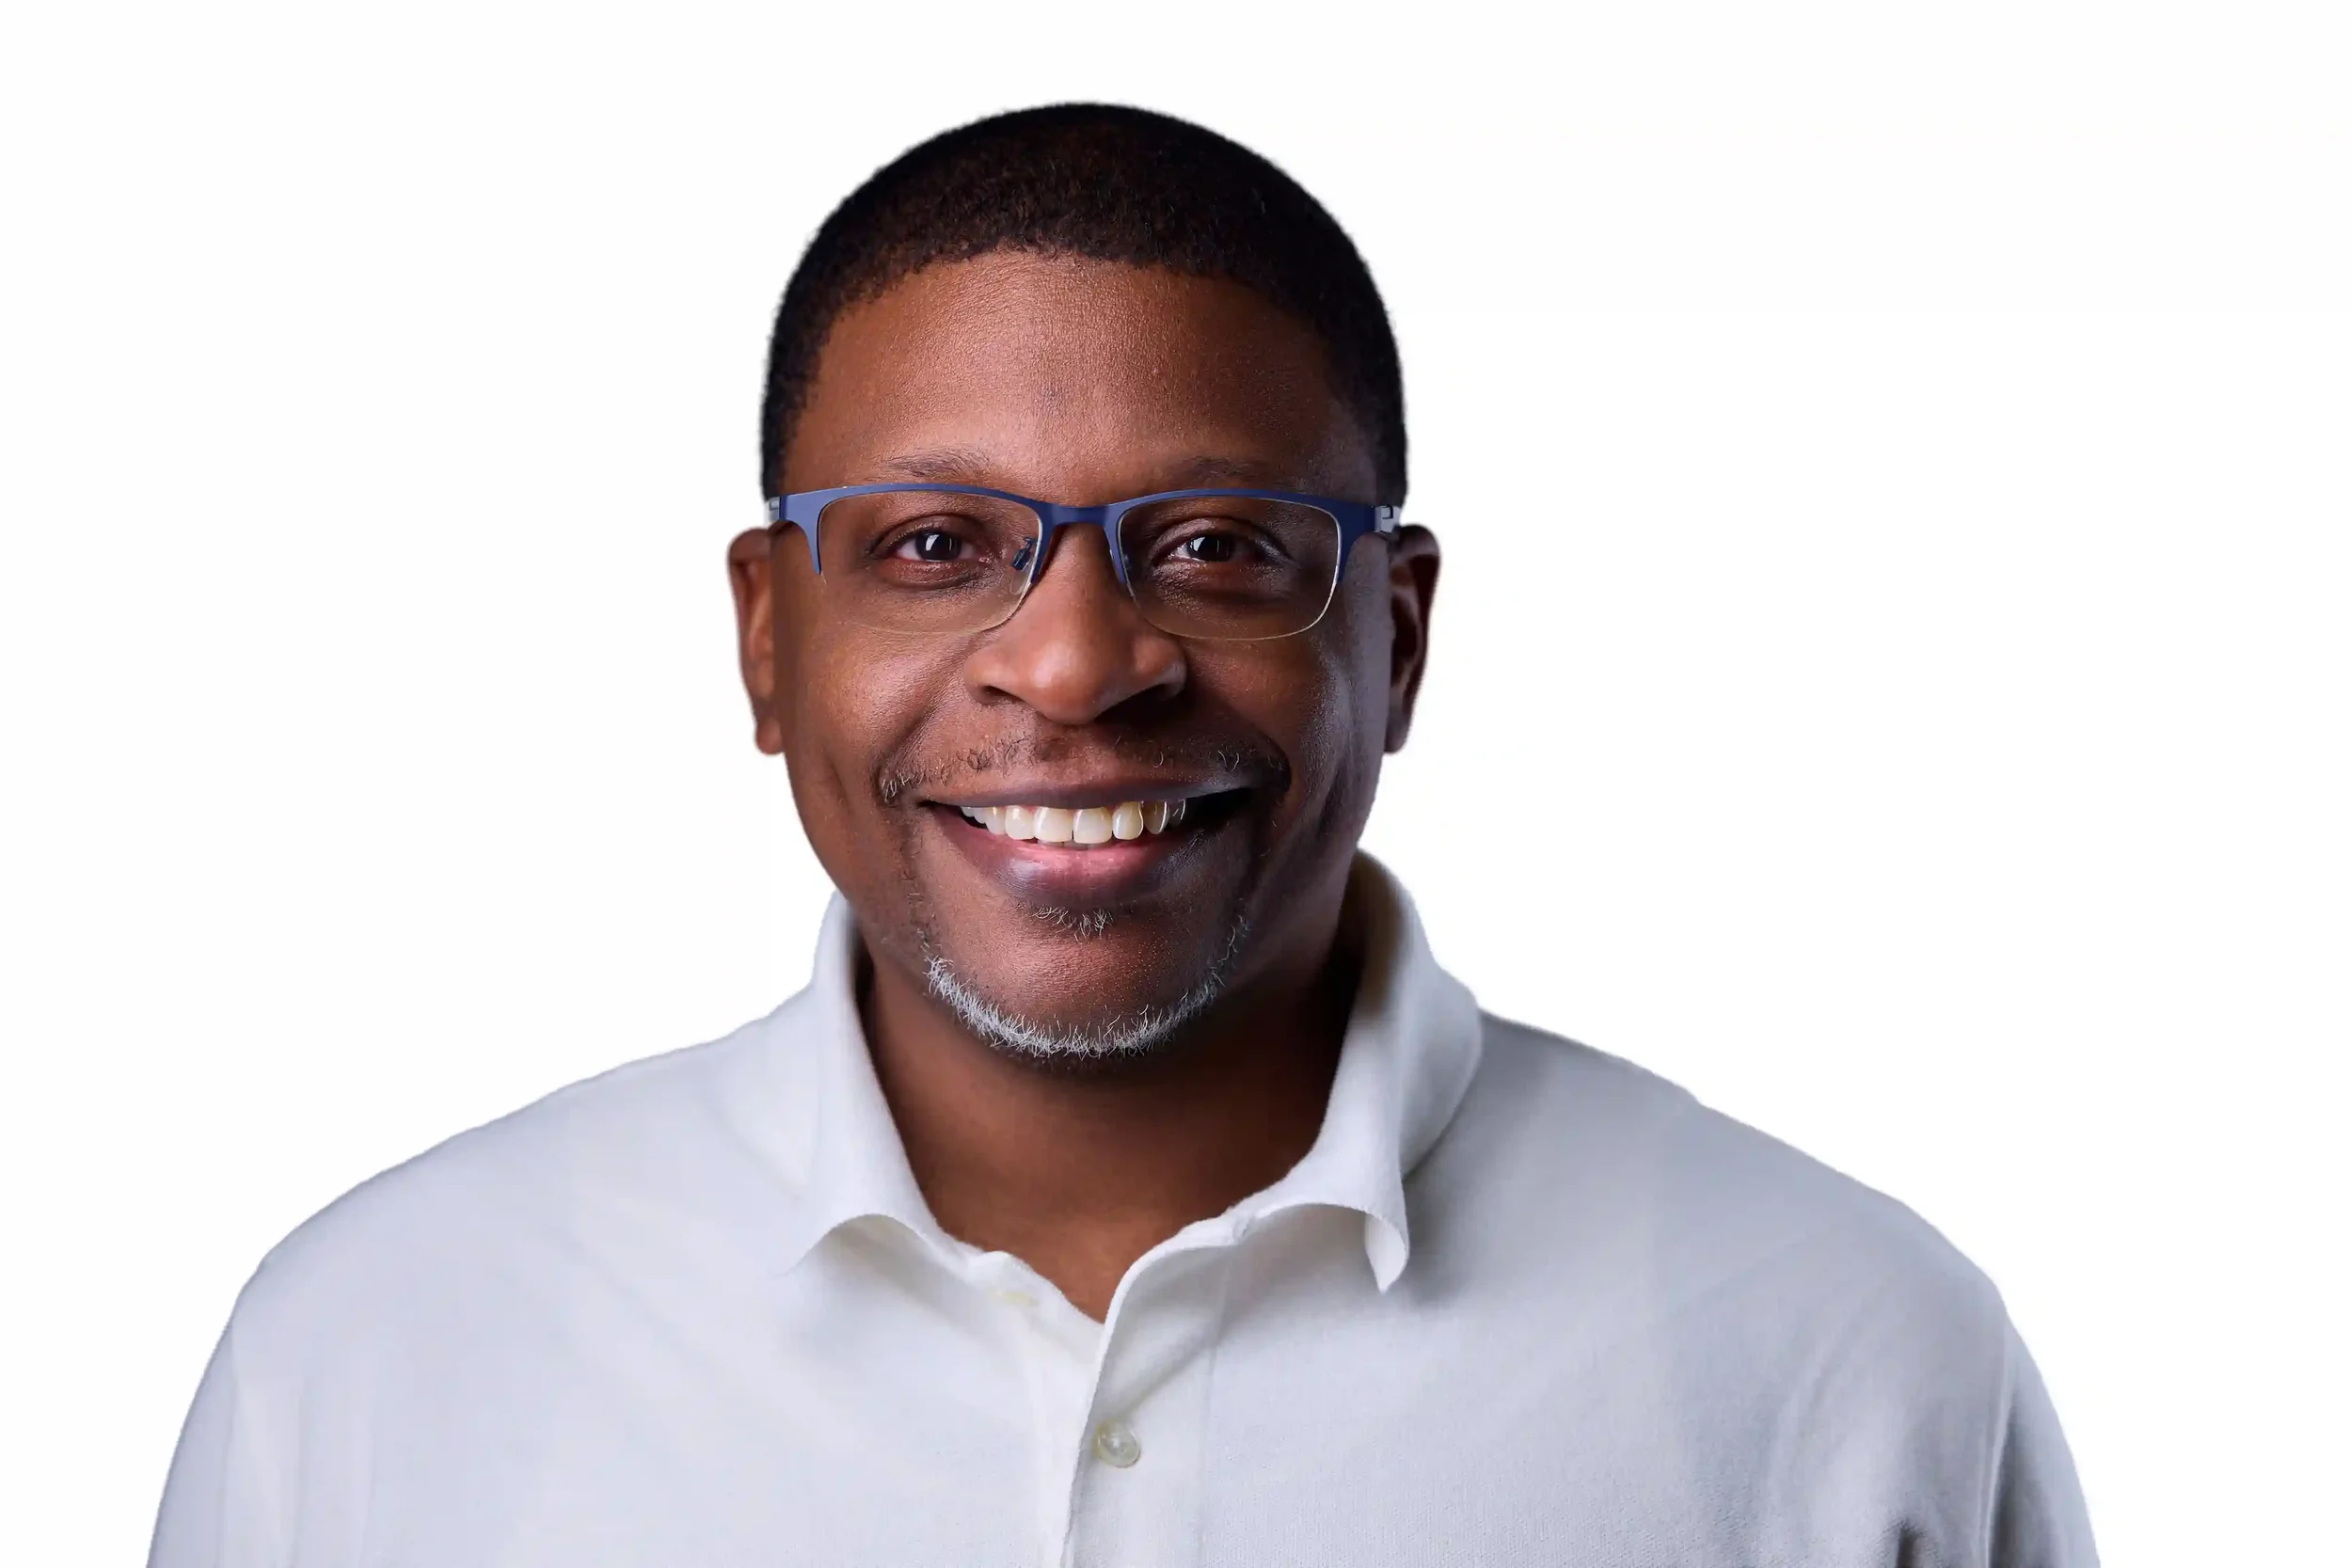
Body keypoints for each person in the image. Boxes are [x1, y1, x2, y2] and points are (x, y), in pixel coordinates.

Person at [150, 104, 2098, 1567]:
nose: (1074, 664)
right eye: (935, 545)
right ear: (766, 634)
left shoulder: (1843, 1349)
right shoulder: (377, 1350)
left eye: (1214, 548)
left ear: (1391, 636)